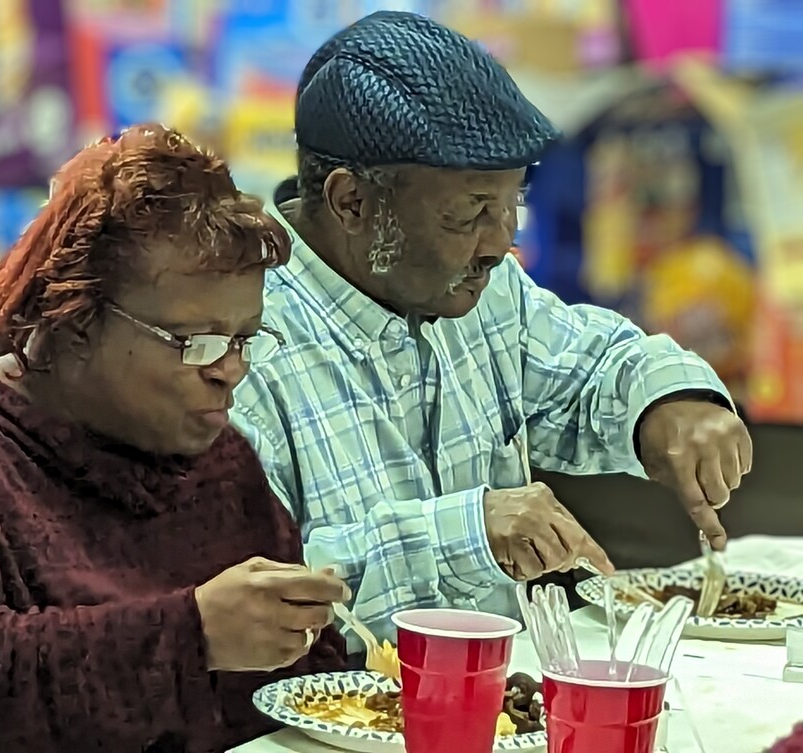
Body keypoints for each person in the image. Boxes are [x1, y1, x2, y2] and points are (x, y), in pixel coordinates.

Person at [0, 124, 348, 753]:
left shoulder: (217, 462)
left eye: (243, 340)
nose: (230, 368)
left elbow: (309, 688)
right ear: (77, 319)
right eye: (193, 342)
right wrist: (188, 638)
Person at [230, 11, 752, 645]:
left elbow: (592, 368)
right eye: (471, 214)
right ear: (352, 202)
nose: (499, 243)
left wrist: (671, 402)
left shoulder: (484, 292)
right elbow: (259, 590)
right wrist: (467, 533)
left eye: (513, 207)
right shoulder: (237, 338)